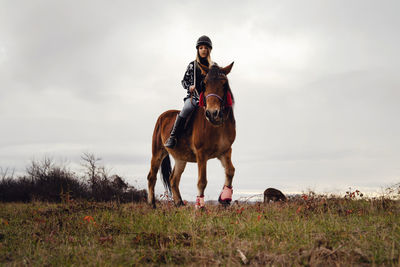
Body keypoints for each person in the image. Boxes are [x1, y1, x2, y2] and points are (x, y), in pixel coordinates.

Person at [164, 35, 213, 148]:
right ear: (198, 50)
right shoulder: (192, 65)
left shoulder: (212, 67)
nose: (203, 50)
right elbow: (183, 81)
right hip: (194, 98)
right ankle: (172, 137)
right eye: (201, 48)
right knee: (186, 109)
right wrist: (189, 86)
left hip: (208, 99)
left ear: (209, 50)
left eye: (206, 48)